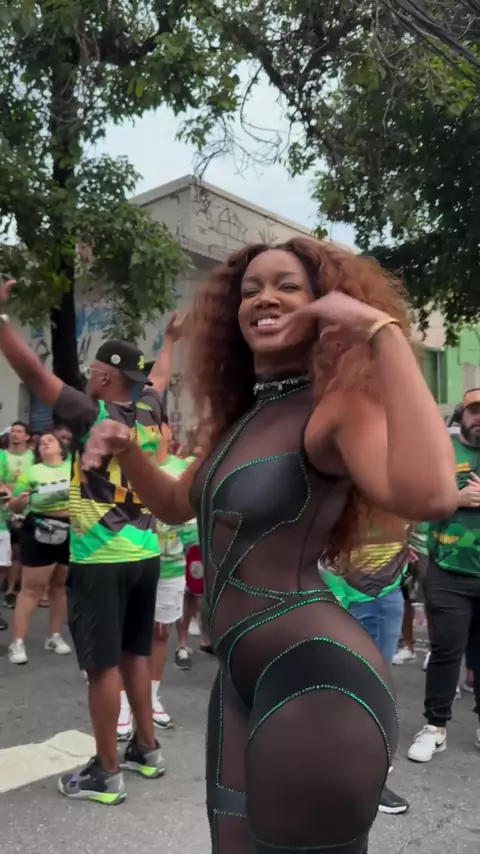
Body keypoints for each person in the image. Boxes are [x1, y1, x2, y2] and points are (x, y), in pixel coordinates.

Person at [83, 238, 457, 853]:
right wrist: (127, 451)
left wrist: (383, 334)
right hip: (238, 680)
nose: (265, 298)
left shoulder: (336, 408)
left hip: (317, 678)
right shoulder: (240, 421)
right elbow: (175, 504)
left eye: (287, 286)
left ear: (325, 305)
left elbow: (433, 494)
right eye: (251, 290)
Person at [0, 282, 184, 804]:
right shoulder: (149, 408)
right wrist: (171, 340)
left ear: (104, 376)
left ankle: (106, 772)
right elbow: (160, 375)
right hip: (146, 555)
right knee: (134, 656)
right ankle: (146, 749)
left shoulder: (91, 414)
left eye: (94, 372)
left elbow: (34, 375)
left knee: (101, 668)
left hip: (101, 561)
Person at [408, 389, 480, 763]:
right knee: (445, 651)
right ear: (462, 414)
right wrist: (456, 499)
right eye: (475, 411)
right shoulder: (440, 452)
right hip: (448, 572)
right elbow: (416, 502)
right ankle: (436, 728)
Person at [321, 519, 410, 814]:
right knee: (366, 692)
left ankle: (356, 774)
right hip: (348, 587)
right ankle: (361, 779)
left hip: (363, 588)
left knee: (356, 689)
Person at [118, 417, 199, 737]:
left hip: (172, 566)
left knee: (161, 633)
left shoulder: (183, 469)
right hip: (133, 561)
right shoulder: (130, 468)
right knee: (127, 635)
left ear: (167, 431)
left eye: (157, 425)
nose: (150, 430)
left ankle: (151, 698)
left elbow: (191, 514)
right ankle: (124, 704)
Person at [7, 430, 72, 664]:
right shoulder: (32, 472)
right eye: (41, 442)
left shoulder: (74, 468)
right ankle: (17, 642)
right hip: (39, 529)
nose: (44, 444)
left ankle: (54, 636)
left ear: (61, 447)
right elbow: (14, 506)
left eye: (50, 441)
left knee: (59, 586)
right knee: (31, 588)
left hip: (70, 529)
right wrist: (19, 501)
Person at [0, 422, 34, 609]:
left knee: (19, 550)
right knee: (6, 552)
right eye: (13, 431)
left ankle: (11, 590)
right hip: (3, 509)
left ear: (27, 436)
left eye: (20, 431)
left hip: (26, 510)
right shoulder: (2, 456)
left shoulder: (33, 457)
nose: (15, 434)